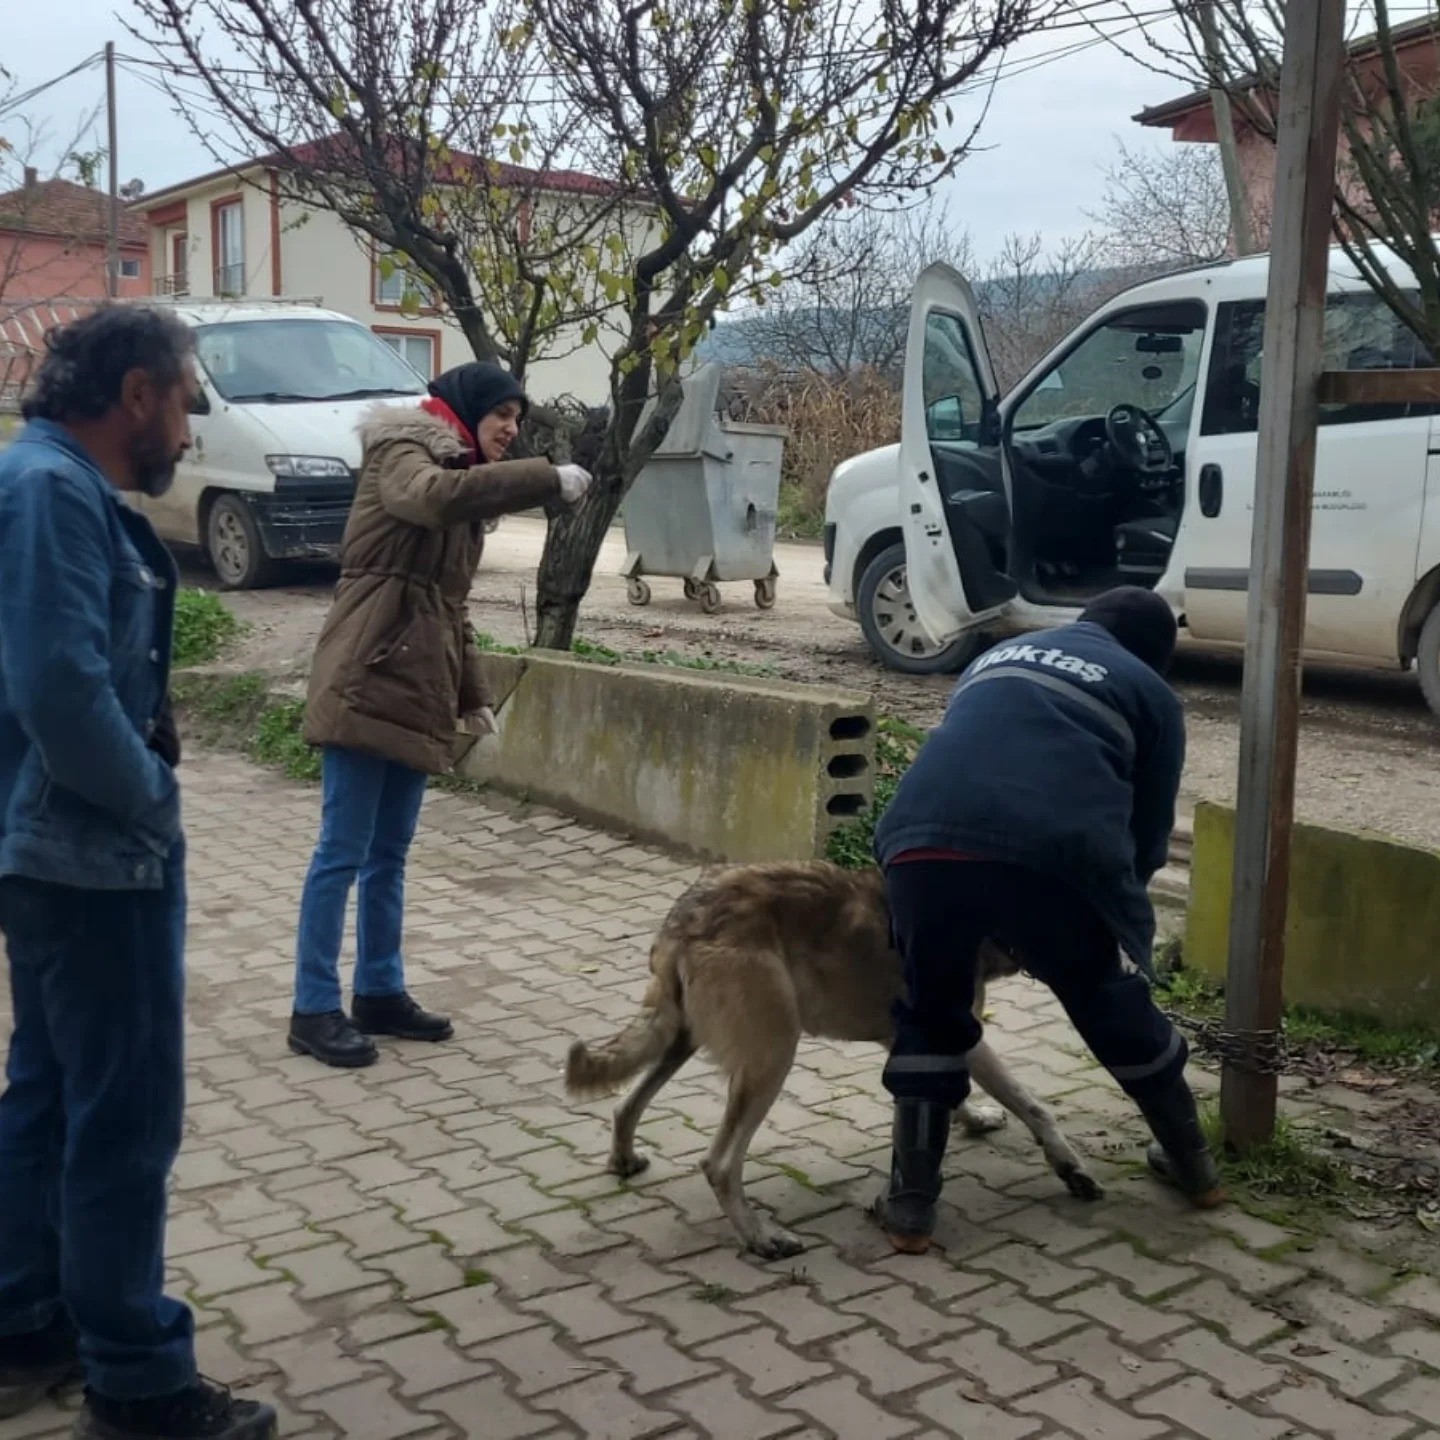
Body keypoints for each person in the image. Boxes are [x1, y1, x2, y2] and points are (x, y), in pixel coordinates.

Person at [0, 308, 276, 1438]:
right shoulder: (50, 492)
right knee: (123, 1119)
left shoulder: (45, 480)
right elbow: (60, 690)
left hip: (54, 853)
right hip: (92, 860)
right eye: (184, 399)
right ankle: (138, 1381)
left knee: (51, 1093)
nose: (190, 424)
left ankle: (27, 1321)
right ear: (135, 395)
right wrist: (152, 798)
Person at [871, 587, 1221, 1254]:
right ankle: (1195, 1167)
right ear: (1155, 653)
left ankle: (911, 1208)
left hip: (918, 841)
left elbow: (971, 753)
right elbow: (1149, 832)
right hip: (1050, 853)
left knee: (931, 1009)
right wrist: (1117, 924)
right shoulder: (1149, 690)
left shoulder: (1001, 654)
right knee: (1107, 1000)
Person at [288, 362, 592, 1068]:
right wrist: (543, 478)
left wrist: (472, 693)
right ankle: (312, 1007)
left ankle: (379, 991)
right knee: (341, 852)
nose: (511, 428)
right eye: (502, 414)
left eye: (518, 418)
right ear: (466, 409)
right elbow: (430, 499)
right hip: (365, 675)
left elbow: (448, 606)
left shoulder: (461, 481)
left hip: (417, 685)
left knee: (389, 854)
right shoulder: (404, 451)